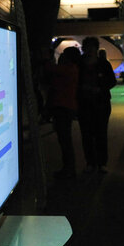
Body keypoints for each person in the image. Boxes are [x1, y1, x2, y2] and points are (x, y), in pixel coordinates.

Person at [78, 36, 116, 173]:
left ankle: (101, 162)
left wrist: (100, 88)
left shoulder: (103, 64)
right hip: (84, 104)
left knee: (101, 133)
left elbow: (112, 81)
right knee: (86, 134)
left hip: (101, 103)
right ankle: (90, 162)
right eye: (87, 48)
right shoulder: (80, 64)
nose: (89, 50)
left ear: (96, 49)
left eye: (92, 48)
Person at [44, 46, 81, 179]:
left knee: (64, 140)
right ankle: (69, 168)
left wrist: (47, 58)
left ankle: (69, 169)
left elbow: (50, 69)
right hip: (66, 107)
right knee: (65, 139)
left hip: (63, 107)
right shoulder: (72, 69)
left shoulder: (68, 69)